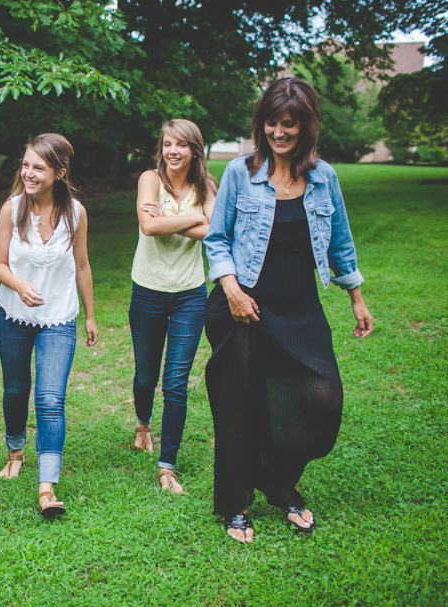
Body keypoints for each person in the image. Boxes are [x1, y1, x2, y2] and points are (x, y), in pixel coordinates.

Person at [203, 77, 374, 543]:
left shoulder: (324, 177)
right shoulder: (241, 171)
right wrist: (232, 290)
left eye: (289, 125)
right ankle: (235, 504)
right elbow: (217, 239)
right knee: (240, 406)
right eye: (273, 123)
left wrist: (355, 297)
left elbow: (340, 241)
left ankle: (276, 479)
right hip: (245, 304)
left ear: (305, 127)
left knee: (323, 398)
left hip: (299, 304)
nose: (280, 132)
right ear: (262, 125)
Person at [0, 133, 98, 518]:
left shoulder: (76, 213)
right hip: (12, 317)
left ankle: (47, 486)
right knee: (17, 389)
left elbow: (82, 265)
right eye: (26, 165)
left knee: (50, 399)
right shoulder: (11, 209)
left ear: (59, 172)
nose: (29, 173)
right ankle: (16, 449)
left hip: (58, 319)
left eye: (38, 167)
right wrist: (19, 285)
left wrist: (89, 313)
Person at [128, 119, 216, 494]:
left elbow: (215, 232)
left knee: (176, 383)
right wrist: (195, 217)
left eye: (181, 145)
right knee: (146, 376)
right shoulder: (150, 179)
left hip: (190, 295)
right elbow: (148, 227)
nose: (173, 152)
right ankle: (143, 424)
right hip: (147, 291)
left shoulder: (207, 186)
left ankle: (167, 466)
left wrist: (171, 219)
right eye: (167, 144)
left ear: (195, 149)